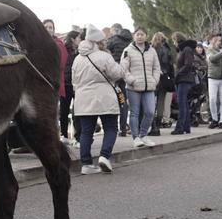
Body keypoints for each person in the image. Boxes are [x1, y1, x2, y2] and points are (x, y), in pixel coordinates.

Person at [71, 25, 123, 174]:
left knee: (86, 132)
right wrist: (122, 66)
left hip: (83, 98)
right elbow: (116, 74)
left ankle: (86, 164)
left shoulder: (77, 59)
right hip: (104, 96)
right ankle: (104, 156)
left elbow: (74, 80)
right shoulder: (104, 56)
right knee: (111, 128)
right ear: (98, 41)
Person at [120, 27, 160, 148]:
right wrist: (131, 80)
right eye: (137, 34)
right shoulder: (128, 50)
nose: (140, 36)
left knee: (150, 112)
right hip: (133, 87)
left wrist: (154, 80)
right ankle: (136, 137)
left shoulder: (152, 51)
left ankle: (143, 135)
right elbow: (123, 69)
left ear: (146, 36)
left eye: (142, 34)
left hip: (149, 86)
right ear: (134, 36)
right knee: (134, 113)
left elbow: (156, 68)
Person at [172, 37, 198, 135]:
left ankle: (180, 127)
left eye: (174, 41)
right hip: (183, 79)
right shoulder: (185, 50)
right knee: (184, 104)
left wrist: (178, 73)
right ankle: (186, 127)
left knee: (182, 103)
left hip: (184, 79)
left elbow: (188, 65)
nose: (173, 43)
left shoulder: (186, 49)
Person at [206, 34, 222, 129]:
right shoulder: (210, 50)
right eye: (219, 41)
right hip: (213, 78)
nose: (220, 43)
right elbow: (212, 59)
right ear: (214, 41)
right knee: (212, 99)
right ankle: (214, 119)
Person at [151, 31, 174, 134]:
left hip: (152, 77)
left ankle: (152, 124)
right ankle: (158, 124)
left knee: (151, 101)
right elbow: (170, 65)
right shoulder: (166, 49)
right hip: (164, 77)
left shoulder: (150, 49)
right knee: (161, 102)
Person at [60, 30, 79, 140]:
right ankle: (64, 135)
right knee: (64, 111)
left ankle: (77, 136)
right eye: (79, 38)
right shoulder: (64, 50)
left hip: (76, 84)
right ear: (73, 39)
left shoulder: (79, 51)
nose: (80, 40)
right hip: (66, 84)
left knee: (77, 112)